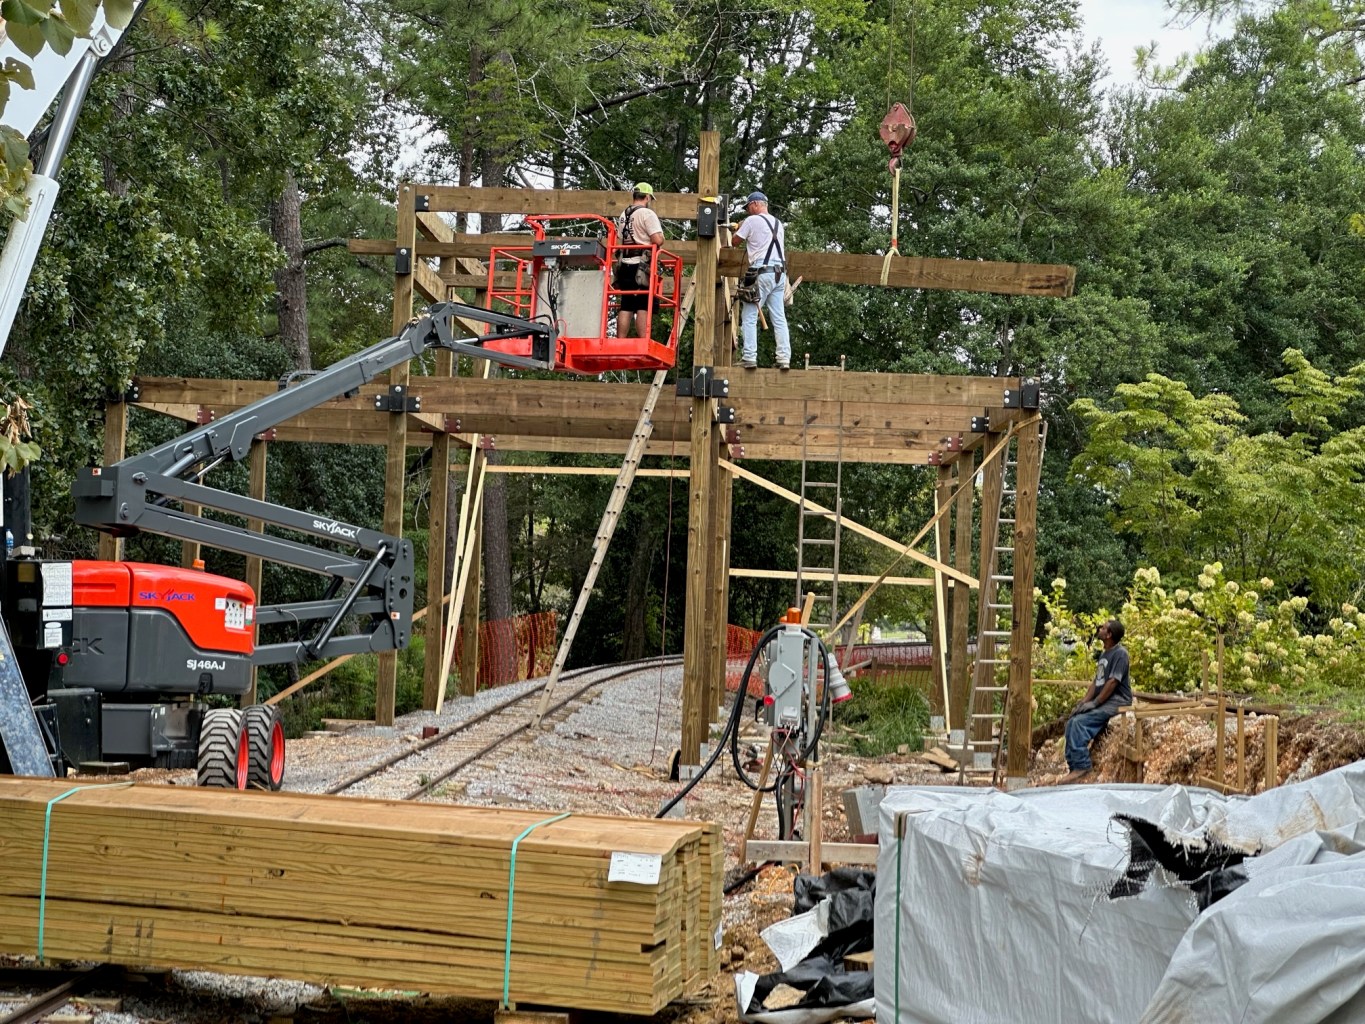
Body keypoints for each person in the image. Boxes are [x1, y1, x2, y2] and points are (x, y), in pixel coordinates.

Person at [1059, 619, 1132, 784]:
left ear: (1109, 634)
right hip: (1104, 700)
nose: (1100, 628)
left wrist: (1096, 703)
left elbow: (1113, 682)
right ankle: (1074, 767)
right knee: (1072, 720)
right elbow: (1097, 682)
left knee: (1079, 723)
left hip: (1117, 701)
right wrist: (1084, 702)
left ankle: (1082, 765)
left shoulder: (1120, 654)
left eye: (1104, 627)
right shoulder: (1104, 653)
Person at [731, 191, 791, 370]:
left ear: (756, 204)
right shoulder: (778, 223)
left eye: (749, 207)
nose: (748, 211)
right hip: (779, 274)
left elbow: (735, 242)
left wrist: (739, 227)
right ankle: (784, 358)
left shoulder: (751, 221)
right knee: (779, 317)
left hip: (761, 273)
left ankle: (749, 356)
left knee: (749, 315)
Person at [614, 182, 665, 339]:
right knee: (643, 303)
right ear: (647, 197)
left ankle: (620, 340)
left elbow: (619, 241)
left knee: (627, 303)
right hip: (641, 265)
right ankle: (643, 340)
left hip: (625, 264)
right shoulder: (647, 214)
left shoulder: (624, 215)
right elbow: (657, 239)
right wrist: (661, 238)